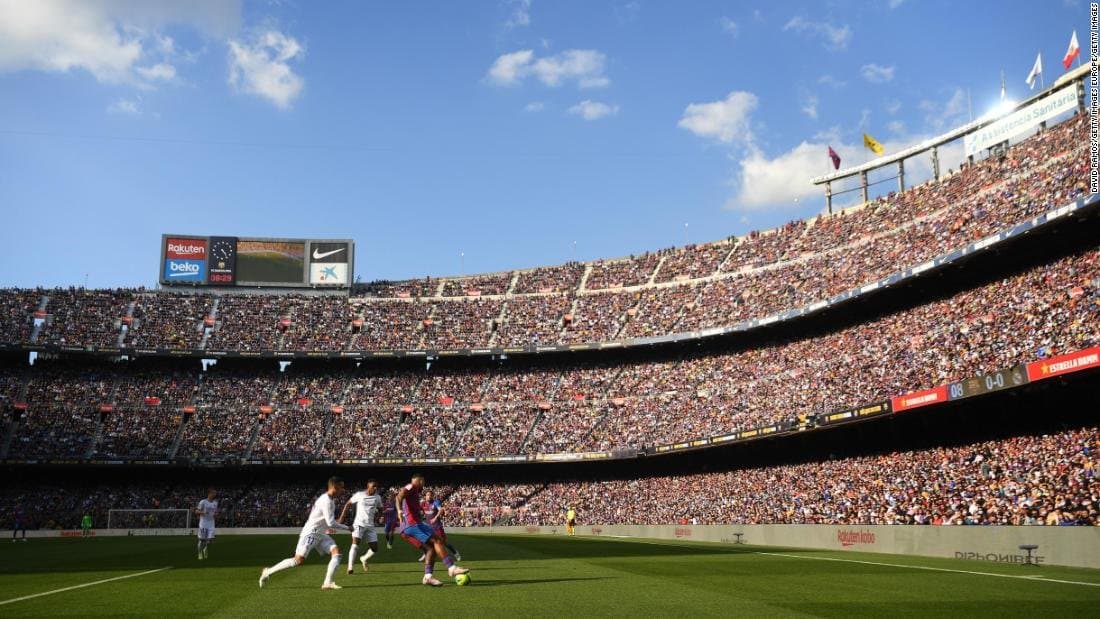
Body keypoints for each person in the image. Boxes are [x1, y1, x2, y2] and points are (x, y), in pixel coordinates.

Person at [259, 476, 349, 590]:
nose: (343, 490)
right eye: (342, 488)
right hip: (311, 533)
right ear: (335, 487)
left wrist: (326, 528)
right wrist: (348, 528)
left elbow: (322, 519)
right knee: (298, 560)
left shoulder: (330, 500)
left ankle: (328, 582)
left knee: (336, 553)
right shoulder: (326, 501)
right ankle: (268, 571)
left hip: (320, 533)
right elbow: (330, 522)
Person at [394, 474, 469, 586]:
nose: (423, 484)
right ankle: (452, 568)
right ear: (420, 480)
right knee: (438, 541)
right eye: (423, 481)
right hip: (412, 525)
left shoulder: (415, 493)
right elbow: (399, 496)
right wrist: (399, 511)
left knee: (430, 549)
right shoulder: (412, 486)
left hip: (404, 530)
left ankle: (428, 577)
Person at [338, 479, 382, 575]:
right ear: (368, 486)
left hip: (370, 526)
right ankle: (350, 568)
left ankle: (364, 558)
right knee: (355, 544)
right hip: (359, 524)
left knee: (374, 548)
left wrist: (381, 516)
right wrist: (342, 517)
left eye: (376, 487)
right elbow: (348, 503)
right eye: (373, 486)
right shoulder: (359, 495)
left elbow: (380, 508)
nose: (375, 488)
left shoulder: (377, 497)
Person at [420, 489, 461, 561]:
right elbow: (417, 510)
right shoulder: (423, 504)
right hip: (428, 527)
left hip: (437, 526)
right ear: (425, 496)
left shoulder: (435, 502)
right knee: (424, 541)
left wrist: (435, 518)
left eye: (430, 495)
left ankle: (455, 552)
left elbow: (441, 510)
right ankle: (426, 553)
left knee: (444, 543)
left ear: (433, 496)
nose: (429, 496)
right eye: (427, 495)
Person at [195, 488, 218, 560]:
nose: (215, 494)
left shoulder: (215, 503)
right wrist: (203, 512)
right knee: (202, 540)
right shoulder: (203, 502)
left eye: (215, 493)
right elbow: (196, 511)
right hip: (203, 523)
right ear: (209, 493)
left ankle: (205, 549)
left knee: (210, 540)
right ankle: (199, 553)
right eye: (214, 493)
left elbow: (215, 512)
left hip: (211, 523)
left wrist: (216, 514)